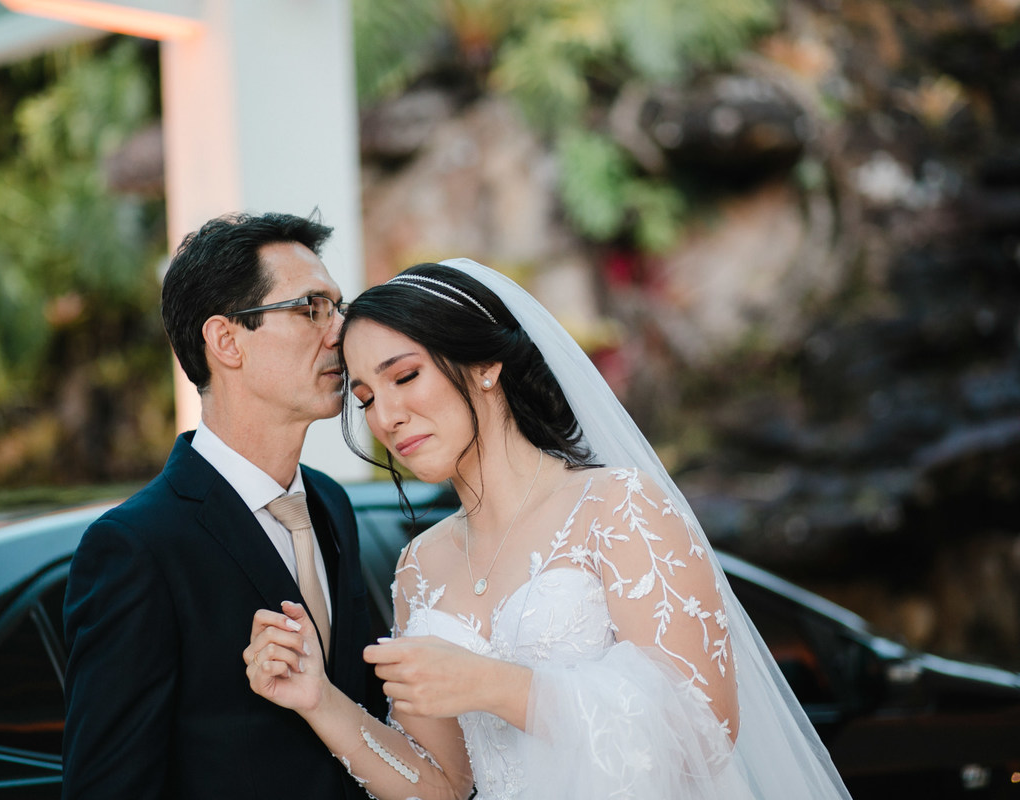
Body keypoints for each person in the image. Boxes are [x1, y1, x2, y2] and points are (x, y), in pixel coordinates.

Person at [245, 259, 853, 799]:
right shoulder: (421, 566)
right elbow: (441, 785)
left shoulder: (618, 506)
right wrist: (319, 701)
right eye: (366, 397)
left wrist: (496, 686)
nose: (388, 416)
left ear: (484, 364)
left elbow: (706, 730)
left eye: (404, 377)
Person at [63, 211, 378, 799]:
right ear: (226, 340)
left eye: (339, 307)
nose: (340, 330)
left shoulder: (331, 505)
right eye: (311, 308)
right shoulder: (137, 547)